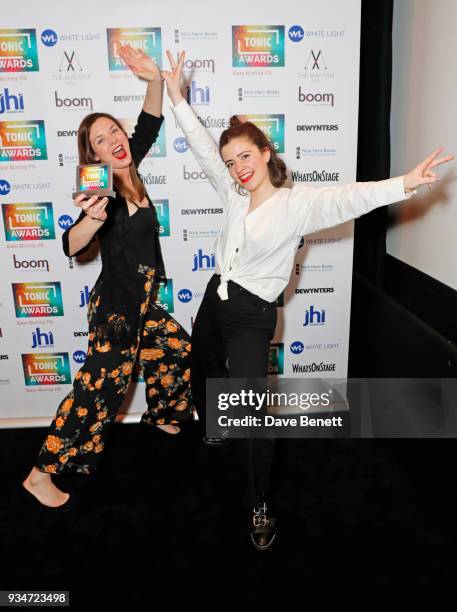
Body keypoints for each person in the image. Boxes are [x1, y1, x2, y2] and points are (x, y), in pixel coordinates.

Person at [156, 49, 453, 550]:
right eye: (232, 162)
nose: (237, 168)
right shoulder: (231, 194)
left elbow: (348, 198)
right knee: (202, 365)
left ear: (267, 154)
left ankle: (259, 502)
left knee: (252, 413)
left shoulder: (296, 206)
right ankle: (211, 425)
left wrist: (404, 183)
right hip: (216, 299)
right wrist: (176, 97)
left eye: (246, 157)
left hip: (251, 316)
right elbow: (202, 146)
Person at [21, 45, 193, 511]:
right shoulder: (102, 185)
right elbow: (72, 244)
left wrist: (154, 79)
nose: (114, 140)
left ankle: (161, 411)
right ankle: (40, 473)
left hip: (141, 305)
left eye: (114, 130)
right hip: (116, 313)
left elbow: (150, 122)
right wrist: (93, 221)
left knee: (175, 347)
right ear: (91, 154)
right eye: (101, 139)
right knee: (96, 396)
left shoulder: (129, 162)